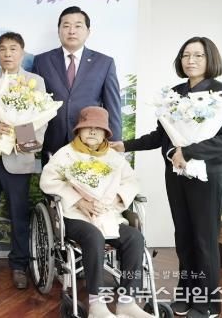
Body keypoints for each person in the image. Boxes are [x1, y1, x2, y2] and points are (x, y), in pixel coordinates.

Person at [111, 37, 222, 318]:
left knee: (204, 240)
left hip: (208, 177)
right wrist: (126, 145)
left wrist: (189, 151)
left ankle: (208, 304)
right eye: (186, 55)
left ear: (210, 59)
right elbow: (162, 136)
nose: (191, 60)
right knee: (183, 237)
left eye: (198, 55)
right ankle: (186, 293)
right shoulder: (174, 94)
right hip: (177, 174)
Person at [40, 106, 153, 318]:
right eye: (88, 127)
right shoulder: (66, 154)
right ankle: (97, 305)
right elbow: (48, 181)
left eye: (98, 128)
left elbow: (131, 181)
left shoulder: (113, 157)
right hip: (75, 215)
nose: (92, 131)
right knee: (94, 236)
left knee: (135, 238)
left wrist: (117, 198)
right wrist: (79, 200)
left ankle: (127, 303)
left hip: (108, 215)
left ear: (105, 133)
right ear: (79, 130)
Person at [0, 32, 47, 289]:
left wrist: (17, 135)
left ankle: (19, 265)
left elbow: (41, 121)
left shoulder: (35, 82)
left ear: (22, 53)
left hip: (18, 158)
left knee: (18, 215)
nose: (7, 54)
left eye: (13, 49)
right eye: (2, 49)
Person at [32, 6, 121, 164]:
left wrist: (114, 143)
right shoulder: (42, 61)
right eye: (66, 26)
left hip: (90, 142)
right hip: (51, 142)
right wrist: (26, 140)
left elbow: (112, 107)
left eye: (78, 26)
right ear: (59, 30)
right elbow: (32, 105)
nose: (72, 31)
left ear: (88, 32)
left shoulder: (104, 63)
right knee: (52, 180)